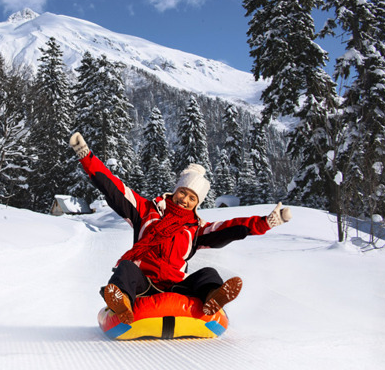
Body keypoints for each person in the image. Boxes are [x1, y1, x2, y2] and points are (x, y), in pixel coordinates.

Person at [69, 132, 292, 324]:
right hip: (143, 284)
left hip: (176, 287)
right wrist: (85, 156)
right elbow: (114, 187)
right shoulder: (146, 210)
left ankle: (213, 299)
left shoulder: (196, 228)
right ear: (176, 190)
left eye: (192, 198)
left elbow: (231, 227)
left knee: (209, 274)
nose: (185, 199)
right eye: (183, 192)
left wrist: (266, 222)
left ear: (197, 203)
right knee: (126, 268)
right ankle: (123, 304)